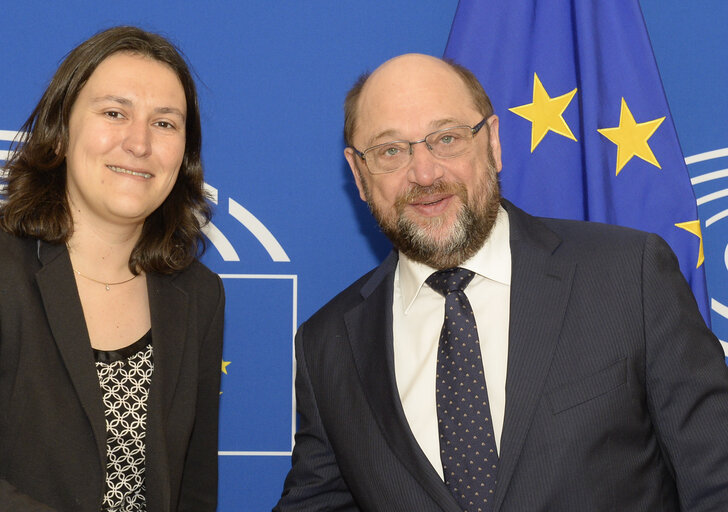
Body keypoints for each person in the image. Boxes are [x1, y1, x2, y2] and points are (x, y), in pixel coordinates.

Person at [274, 53, 728, 511]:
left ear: (492, 141)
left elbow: (717, 478)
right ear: (359, 173)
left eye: (446, 138)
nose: (425, 173)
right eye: (391, 150)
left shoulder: (629, 275)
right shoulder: (327, 345)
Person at [0, 26, 224, 511]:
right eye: (114, 113)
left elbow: (194, 490)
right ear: (60, 132)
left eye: (165, 123)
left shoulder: (199, 293)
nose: (139, 143)